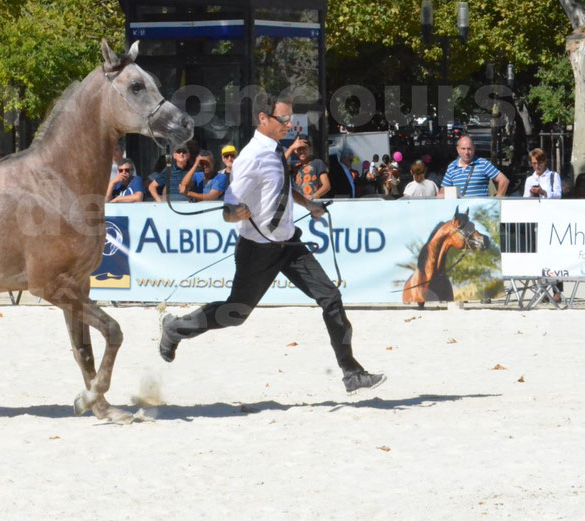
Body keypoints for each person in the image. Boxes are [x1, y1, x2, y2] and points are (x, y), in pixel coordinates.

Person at [158, 92, 386, 395]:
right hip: (257, 250)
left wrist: (309, 205)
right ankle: (176, 328)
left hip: (289, 246)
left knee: (330, 297)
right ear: (263, 119)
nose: (289, 125)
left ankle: (351, 372)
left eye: (290, 118)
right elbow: (229, 207)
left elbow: (283, 185)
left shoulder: (277, 150)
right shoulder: (251, 157)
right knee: (235, 314)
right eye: (284, 119)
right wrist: (234, 213)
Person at [438, 136, 508, 198]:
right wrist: (442, 195)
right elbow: (443, 189)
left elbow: (504, 180)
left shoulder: (483, 164)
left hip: (479, 211)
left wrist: (497, 201)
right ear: (458, 150)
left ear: (474, 149)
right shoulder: (452, 167)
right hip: (461, 211)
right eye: (463, 149)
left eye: (469, 149)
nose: (466, 152)